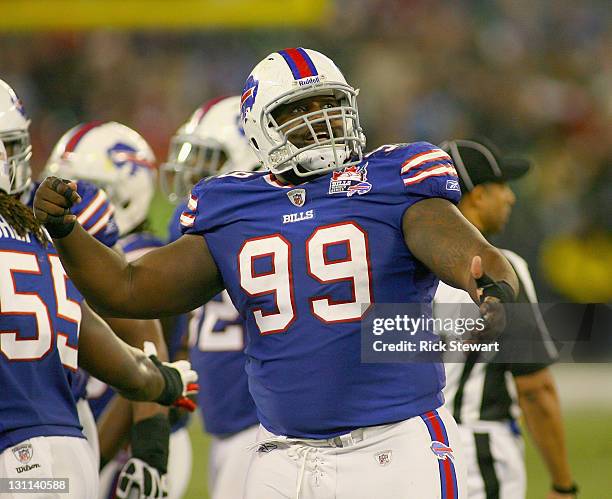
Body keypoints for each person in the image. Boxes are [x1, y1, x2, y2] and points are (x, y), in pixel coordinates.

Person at [34, 47, 521, 498]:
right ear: (262, 129)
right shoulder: (232, 206)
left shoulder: (391, 179)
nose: (323, 119)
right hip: (283, 456)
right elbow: (128, 287)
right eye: (300, 110)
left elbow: (469, 252)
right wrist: (66, 230)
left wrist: (491, 285)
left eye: (330, 103)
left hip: (394, 446)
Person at [0, 139, 198, 499]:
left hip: (23, 457)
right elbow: (109, 347)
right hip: (66, 445)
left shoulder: (43, 218)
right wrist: (165, 382)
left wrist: (150, 446)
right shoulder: (27, 230)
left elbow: (132, 326)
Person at [436, 138, 577, 499]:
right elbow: (535, 389)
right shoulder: (503, 269)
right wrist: (563, 484)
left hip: (414, 447)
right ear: (478, 195)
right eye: (501, 186)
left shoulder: (399, 268)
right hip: (477, 449)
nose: (510, 197)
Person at [162, 96, 261, 499]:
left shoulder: (256, 223)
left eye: (209, 160)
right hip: (232, 417)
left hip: (262, 418)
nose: (193, 176)